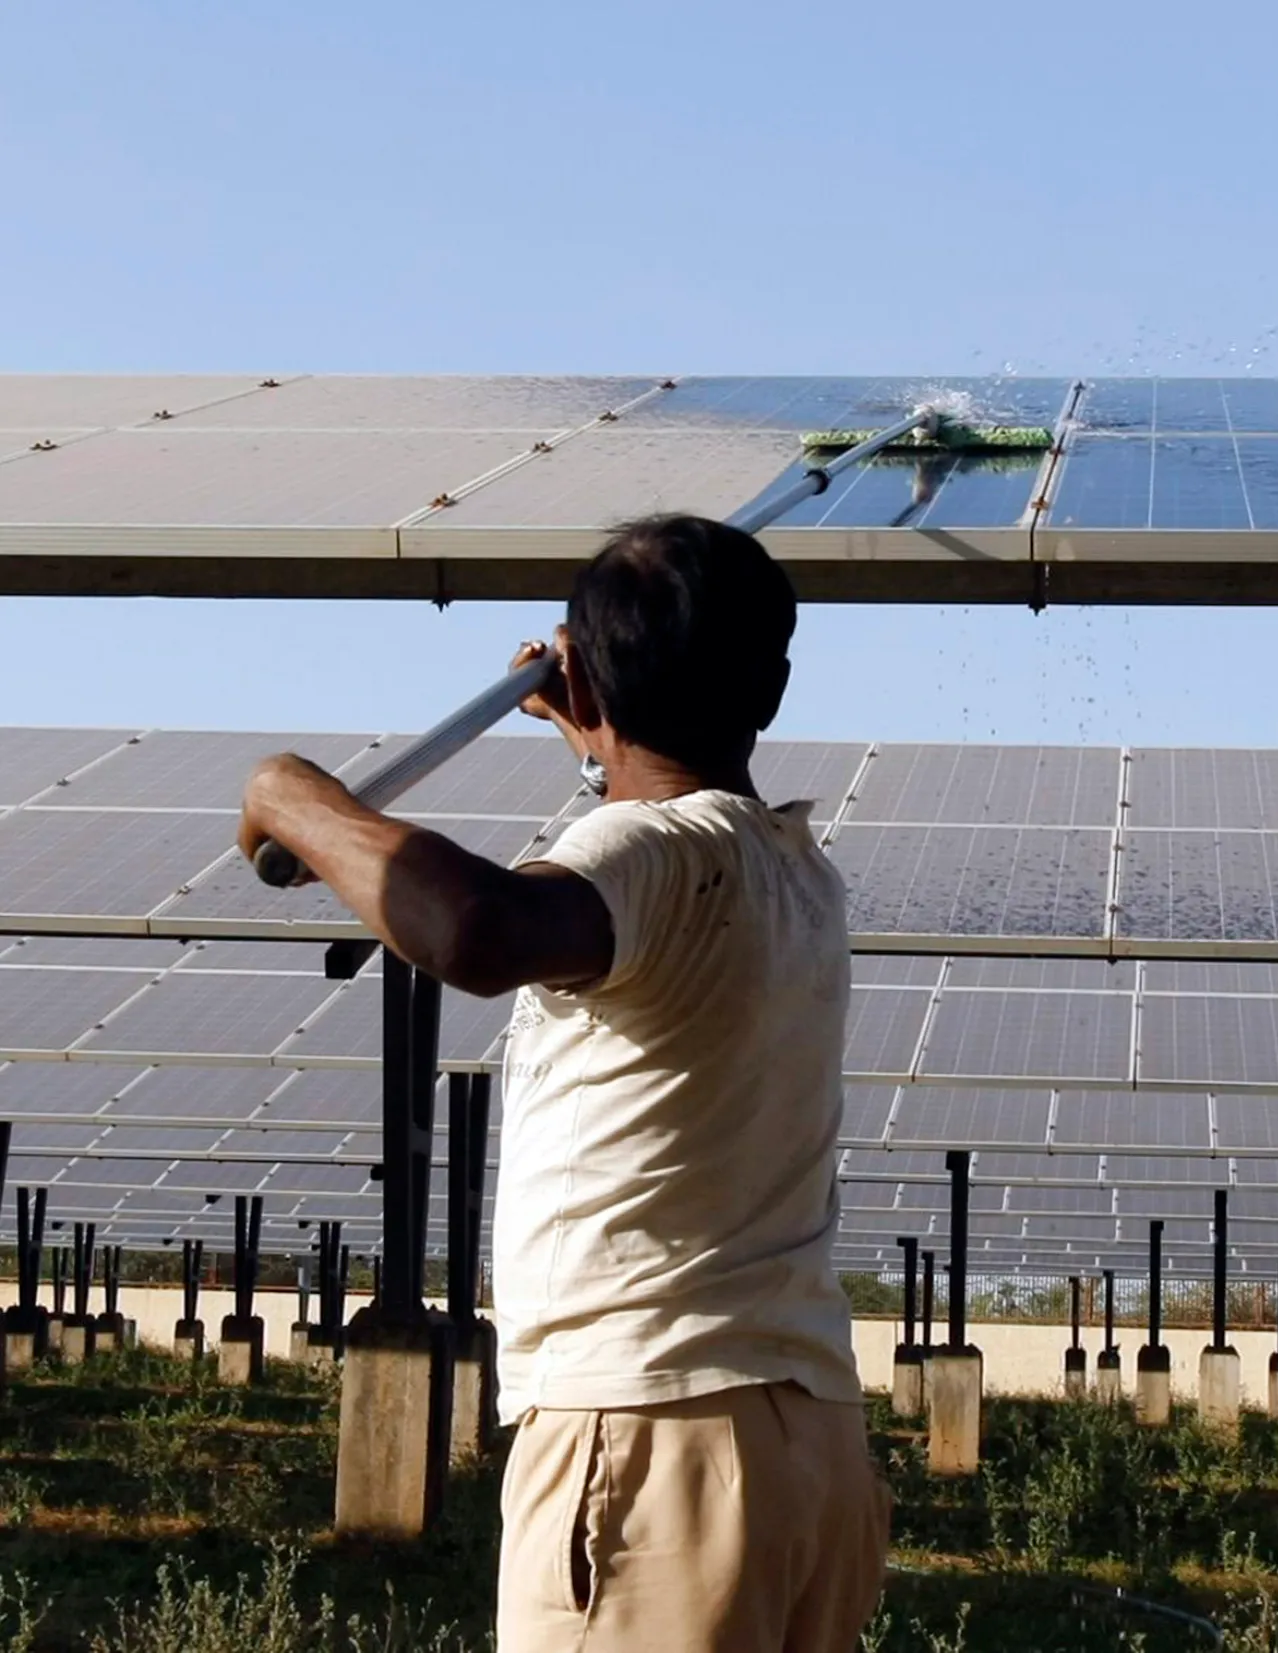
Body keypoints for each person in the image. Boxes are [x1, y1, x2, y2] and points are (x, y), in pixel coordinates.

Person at [237, 513, 889, 1653]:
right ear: (775, 688)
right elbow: (662, 830)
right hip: (807, 1438)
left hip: (646, 1434)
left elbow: (481, 930)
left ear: (580, 671)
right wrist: (597, 743)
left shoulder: (647, 860)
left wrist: (297, 799)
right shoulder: (796, 873)